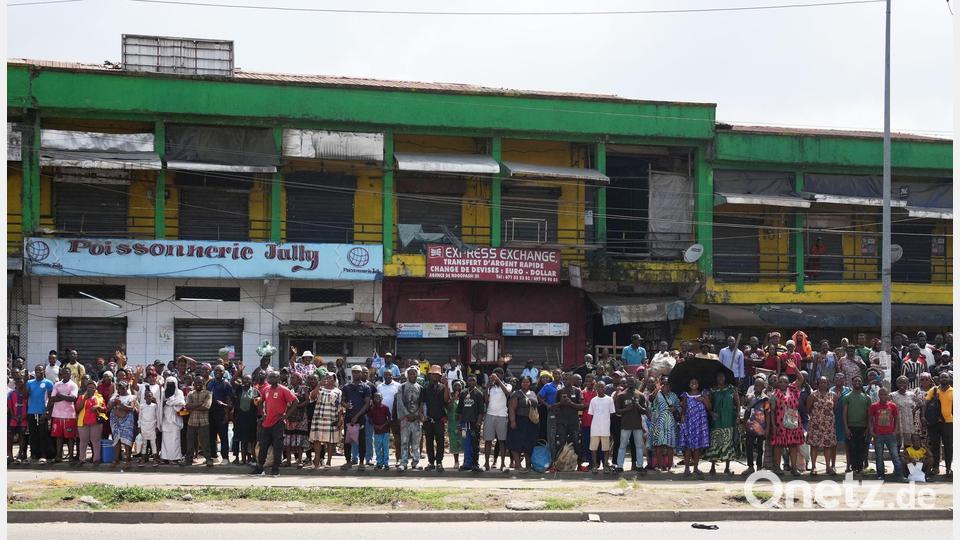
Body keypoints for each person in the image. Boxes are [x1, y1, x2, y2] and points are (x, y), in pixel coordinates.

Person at [253, 371, 298, 476]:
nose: (271, 378)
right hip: (266, 422)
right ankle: (260, 467)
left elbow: (295, 401)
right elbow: (260, 401)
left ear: (278, 379)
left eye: (274, 377)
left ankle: (275, 468)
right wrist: (263, 414)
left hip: (278, 423)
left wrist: (286, 415)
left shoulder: (284, 389)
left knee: (277, 446)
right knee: (263, 445)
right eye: (270, 377)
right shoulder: (266, 389)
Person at [705, 371, 740, 475]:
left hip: (729, 419)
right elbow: (709, 406)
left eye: (722, 376)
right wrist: (711, 413)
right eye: (719, 376)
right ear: (716, 378)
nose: (721, 378)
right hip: (716, 420)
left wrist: (738, 416)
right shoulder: (712, 390)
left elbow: (737, 403)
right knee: (715, 442)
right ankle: (712, 467)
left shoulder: (731, 389)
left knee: (728, 442)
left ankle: (727, 467)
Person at [771, 375, 804, 476]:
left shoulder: (793, 390)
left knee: (793, 445)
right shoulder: (774, 394)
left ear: (788, 383)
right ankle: (777, 467)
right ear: (778, 383)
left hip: (793, 421)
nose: (783, 384)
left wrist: (794, 368)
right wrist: (774, 425)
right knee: (779, 445)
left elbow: (801, 379)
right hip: (779, 422)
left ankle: (794, 468)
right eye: (780, 382)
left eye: (785, 382)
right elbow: (771, 411)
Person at [341, 365, 372, 470]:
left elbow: (367, 404)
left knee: (361, 440)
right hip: (348, 417)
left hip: (360, 418)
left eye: (358, 372)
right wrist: (346, 405)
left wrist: (357, 416)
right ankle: (348, 461)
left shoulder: (366, 387)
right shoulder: (346, 387)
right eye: (354, 372)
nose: (356, 374)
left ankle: (362, 462)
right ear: (352, 373)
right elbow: (342, 401)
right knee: (347, 441)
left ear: (361, 373)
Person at [309, 373, 342, 470]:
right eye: (326, 377)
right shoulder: (320, 389)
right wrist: (319, 384)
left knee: (330, 441)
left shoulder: (338, 391)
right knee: (317, 440)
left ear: (334, 380)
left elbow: (339, 406)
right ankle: (317, 460)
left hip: (332, 418)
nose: (328, 379)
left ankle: (328, 461)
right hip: (319, 417)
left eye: (330, 378)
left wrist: (340, 419)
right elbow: (312, 397)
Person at [869, 387, 903, 481]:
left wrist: (895, 430)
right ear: (878, 395)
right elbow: (871, 419)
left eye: (885, 394)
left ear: (888, 395)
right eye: (881, 394)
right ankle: (880, 475)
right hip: (878, 435)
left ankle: (899, 475)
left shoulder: (892, 406)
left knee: (895, 455)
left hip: (890, 435)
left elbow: (896, 418)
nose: (883, 396)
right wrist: (872, 431)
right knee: (879, 456)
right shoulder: (874, 406)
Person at [805, 376, 837, 476]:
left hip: (828, 425)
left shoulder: (833, 395)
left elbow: (834, 409)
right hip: (815, 424)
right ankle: (814, 467)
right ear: (818, 383)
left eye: (825, 382)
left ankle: (828, 466)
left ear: (828, 384)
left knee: (828, 446)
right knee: (814, 446)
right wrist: (817, 417)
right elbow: (808, 409)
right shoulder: (813, 395)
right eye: (821, 382)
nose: (823, 384)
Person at [678, 378, 710, 477]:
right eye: (692, 382)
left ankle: (696, 468)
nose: (694, 384)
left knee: (697, 448)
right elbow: (683, 408)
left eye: (696, 382)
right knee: (688, 447)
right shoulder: (686, 395)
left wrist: (703, 399)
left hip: (700, 423)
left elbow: (709, 407)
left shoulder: (703, 394)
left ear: (698, 384)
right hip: (689, 423)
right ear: (689, 384)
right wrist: (682, 417)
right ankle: (687, 468)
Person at [613, 375, 646, 473]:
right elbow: (617, 411)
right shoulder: (621, 395)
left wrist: (638, 406)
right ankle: (620, 466)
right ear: (626, 383)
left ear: (635, 382)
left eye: (632, 381)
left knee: (639, 446)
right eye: (629, 382)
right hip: (625, 425)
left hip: (637, 425)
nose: (631, 383)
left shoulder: (640, 395)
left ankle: (640, 466)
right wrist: (627, 409)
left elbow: (644, 410)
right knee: (622, 446)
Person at [507, 376, 539, 472]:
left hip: (531, 422)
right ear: (520, 383)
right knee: (516, 442)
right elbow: (511, 408)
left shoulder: (533, 393)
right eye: (524, 382)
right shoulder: (516, 394)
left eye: (527, 382)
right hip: (519, 420)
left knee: (529, 443)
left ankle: (528, 465)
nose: (526, 384)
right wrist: (513, 421)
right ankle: (517, 464)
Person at [421, 365, 449, 472]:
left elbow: (446, 400)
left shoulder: (442, 387)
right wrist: (421, 415)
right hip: (428, 419)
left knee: (440, 441)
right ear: (430, 375)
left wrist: (446, 385)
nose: (435, 376)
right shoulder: (425, 387)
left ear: (440, 376)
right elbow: (422, 402)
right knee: (429, 441)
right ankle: (431, 462)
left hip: (440, 419)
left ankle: (439, 462)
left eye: (437, 374)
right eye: (433, 374)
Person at [554, 373, 585, 470]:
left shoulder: (577, 391)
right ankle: (558, 465)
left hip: (573, 421)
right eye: (565, 379)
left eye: (568, 379)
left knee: (576, 442)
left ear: (572, 380)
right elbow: (554, 407)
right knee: (560, 442)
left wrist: (571, 403)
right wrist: (561, 403)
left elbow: (582, 406)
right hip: (562, 421)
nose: (566, 380)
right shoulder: (559, 392)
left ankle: (579, 464)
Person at [925, 371, 953, 478]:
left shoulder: (953, 391)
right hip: (934, 423)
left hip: (949, 423)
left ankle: (948, 468)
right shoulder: (934, 390)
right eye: (942, 377)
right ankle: (935, 467)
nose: (944, 379)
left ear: (949, 379)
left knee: (948, 447)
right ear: (939, 379)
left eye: (946, 377)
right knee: (935, 446)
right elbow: (925, 404)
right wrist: (924, 417)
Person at [483, 368, 512, 471]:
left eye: (498, 375)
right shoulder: (491, 387)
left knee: (502, 441)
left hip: (502, 416)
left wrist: (498, 380)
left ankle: (503, 463)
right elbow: (486, 400)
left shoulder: (507, 385)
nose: (496, 376)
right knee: (488, 440)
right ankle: (486, 463)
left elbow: (508, 393)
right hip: (490, 415)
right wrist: (488, 384)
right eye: (494, 375)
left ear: (502, 375)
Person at [842, 375, 872, 474]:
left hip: (863, 426)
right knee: (852, 447)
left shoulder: (867, 397)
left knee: (861, 447)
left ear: (862, 382)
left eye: (859, 381)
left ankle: (860, 466)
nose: (857, 382)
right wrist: (846, 428)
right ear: (852, 383)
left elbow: (869, 414)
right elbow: (844, 413)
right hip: (851, 426)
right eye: (855, 381)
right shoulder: (847, 396)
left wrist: (868, 427)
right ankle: (853, 467)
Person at [48, 367, 79, 462]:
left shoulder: (73, 385)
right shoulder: (57, 384)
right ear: (61, 374)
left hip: (69, 415)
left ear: (70, 374)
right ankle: (58, 456)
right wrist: (66, 397)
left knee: (70, 437)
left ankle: (70, 456)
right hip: (57, 414)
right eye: (64, 373)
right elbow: (52, 398)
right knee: (58, 437)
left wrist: (60, 395)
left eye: (67, 373)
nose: (66, 375)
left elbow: (73, 398)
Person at [25, 364, 54, 462]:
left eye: (40, 370)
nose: (38, 371)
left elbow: (51, 399)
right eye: (36, 370)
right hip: (31, 412)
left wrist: (46, 412)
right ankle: (33, 454)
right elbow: (26, 395)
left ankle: (43, 454)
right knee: (33, 435)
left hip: (42, 413)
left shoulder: (48, 383)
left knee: (43, 434)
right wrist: (25, 380)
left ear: (44, 371)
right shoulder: (29, 382)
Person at [396, 367, 423, 471]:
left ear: (417, 375)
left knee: (416, 442)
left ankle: (416, 462)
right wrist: (407, 415)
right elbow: (400, 403)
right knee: (404, 441)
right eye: (410, 374)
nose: (412, 375)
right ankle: (403, 462)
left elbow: (422, 403)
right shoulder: (401, 387)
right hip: (405, 419)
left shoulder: (420, 388)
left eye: (414, 374)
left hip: (416, 419)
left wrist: (417, 415)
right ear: (407, 375)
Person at [457, 374, 485, 472]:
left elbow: (481, 411)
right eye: (469, 380)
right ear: (467, 381)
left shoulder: (479, 393)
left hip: (474, 423)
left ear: (476, 381)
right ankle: (466, 463)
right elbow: (459, 410)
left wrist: (478, 422)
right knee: (466, 443)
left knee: (475, 443)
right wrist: (459, 424)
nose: (471, 382)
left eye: (473, 380)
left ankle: (475, 464)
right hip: (464, 423)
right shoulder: (463, 393)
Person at [181, 378, 211, 468]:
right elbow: (187, 406)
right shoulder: (190, 394)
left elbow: (206, 407)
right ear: (194, 384)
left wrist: (193, 406)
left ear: (203, 383)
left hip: (204, 422)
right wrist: (199, 404)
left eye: (200, 382)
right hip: (192, 422)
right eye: (197, 382)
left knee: (205, 442)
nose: (198, 384)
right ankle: (188, 460)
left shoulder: (208, 393)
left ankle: (208, 459)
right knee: (190, 442)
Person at [649, 378, 678, 471]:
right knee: (659, 444)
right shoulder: (657, 394)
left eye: (668, 384)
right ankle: (661, 466)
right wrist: (657, 388)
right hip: (659, 421)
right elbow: (651, 398)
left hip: (670, 422)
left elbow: (679, 406)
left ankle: (669, 466)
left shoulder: (673, 395)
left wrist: (675, 408)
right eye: (664, 384)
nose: (666, 386)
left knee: (670, 445)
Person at [108, 379, 138, 469]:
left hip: (127, 420)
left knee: (127, 440)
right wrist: (113, 402)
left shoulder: (132, 397)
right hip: (115, 420)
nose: (121, 389)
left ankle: (128, 459)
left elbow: (131, 408)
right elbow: (108, 408)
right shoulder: (114, 396)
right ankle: (116, 459)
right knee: (116, 439)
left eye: (123, 387)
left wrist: (121, 405)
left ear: (127, 388)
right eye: (119, 387)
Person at [73, 379, 105, 465]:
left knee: (96, 441)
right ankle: (82, 459)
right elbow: (77, 409)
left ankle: (96, 459)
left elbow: (104, 410)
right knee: (83, 441)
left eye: (92, 388)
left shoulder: (100, 397)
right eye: (89, 388)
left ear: (96, 389)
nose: (91, 389)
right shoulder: (81, 397)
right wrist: (84, 399)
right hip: (83, 422)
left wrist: (98, 407)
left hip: (96, 422)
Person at [282, 372, 310, 468]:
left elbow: (307, 400)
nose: (292, 379)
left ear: (299, 379)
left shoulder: (303, 388)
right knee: (288, 440)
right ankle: (289, 460)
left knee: (300, 440)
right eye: (291, 377)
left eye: (294, 378)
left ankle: (299, 461)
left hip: (301, 417)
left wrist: (297, 406)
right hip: (289, 417)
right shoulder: (288, 388)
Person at [206, 365, 233, 463]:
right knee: (211, 436)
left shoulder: (226, 384)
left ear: (223, 373)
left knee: (223, 436)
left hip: (222, 414)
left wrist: (226, 414)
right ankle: (214, 457)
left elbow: (230, 401)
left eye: (220, 371)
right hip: (210, 414)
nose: (217, 372)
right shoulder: (210, 383)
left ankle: (225, 458)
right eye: (216, 370)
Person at [587, 381, 616, 473]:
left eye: (602, 387)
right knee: (594, 448)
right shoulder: (593, 400)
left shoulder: (609, 399)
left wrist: (604, 420)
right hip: (595, 428)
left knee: (606, 448)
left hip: (605, 428)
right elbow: (591, 414)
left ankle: (606, 466)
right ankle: (595, 466)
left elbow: (611, 413)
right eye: (598, 387)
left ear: (605, 388)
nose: (600, 389)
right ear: (596, 388)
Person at [743, 375, 769, 474]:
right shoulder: (750, 397)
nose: (757, 387)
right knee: (749, 446)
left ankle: (759, 466)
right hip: (750, 426)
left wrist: (767, 428)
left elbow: (767, 413)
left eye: (760, 386)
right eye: (756, 385)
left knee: (759, 448)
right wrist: (744, 424)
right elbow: (747, 411)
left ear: (763, 387)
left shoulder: (765, 399)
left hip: (761, 427)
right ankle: (750, 466)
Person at [158, 376, 185, 463]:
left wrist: (169, 402)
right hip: (165, 419)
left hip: (175, 420)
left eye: (172, 384)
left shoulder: (179, 392)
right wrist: (170, 402)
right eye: (168, 384)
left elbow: (181, 403)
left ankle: (174, 458)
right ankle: (165, 457)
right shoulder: (163, 393)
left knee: (175, 440)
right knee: (165, 440)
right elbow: (161, 404)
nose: (170, 386)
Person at [890, 375, 920, 450]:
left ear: (907, 384)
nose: (902, 385)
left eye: (904, 383)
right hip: (897, 421)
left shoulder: (911, 394)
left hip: (908, 421)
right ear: (897, 384)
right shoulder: (892, 395)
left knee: (908, 442)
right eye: (900, 383)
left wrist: (914, 410)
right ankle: (897, 459)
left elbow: (920, 403)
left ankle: (907, 459)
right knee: (897, 443)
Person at [537, 371, 561, 459]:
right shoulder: (547, 386)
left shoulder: (563, 385)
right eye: (555, 374)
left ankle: (560, 459)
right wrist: (547, 405)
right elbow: (539, 396)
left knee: (561, 436)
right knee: (551, 435)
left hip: (563, 413)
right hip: (552, 412)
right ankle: (552, 459)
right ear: (553, 376)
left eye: (559, 374)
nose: (557, 375)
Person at [7, 373, 28, 463]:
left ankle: (20, 455)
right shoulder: (11, 393)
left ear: (23, 382)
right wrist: (14, 416)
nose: (19, 383)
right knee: (10, 437)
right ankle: (10, 455)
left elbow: (28, 406)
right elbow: (10, 406)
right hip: (13, 419)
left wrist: (24, 416)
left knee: (22, 437)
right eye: (18, 381)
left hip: (23, 419)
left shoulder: (26, 394)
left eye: (21, 381)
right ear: (15, 383)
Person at [367, 393, 391, 470]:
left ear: (382, 398)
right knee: (378, 448)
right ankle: (379, 463)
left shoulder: (385, 408)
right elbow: (370, 420)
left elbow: (389, 418)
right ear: (373, 399)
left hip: (385, 431)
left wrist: (383, 425)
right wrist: (375, 425)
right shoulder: (372, 409)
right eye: (376, 397)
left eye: (379, 397)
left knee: (386, 447)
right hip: (377, 431)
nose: (378, 399)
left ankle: (386, 463)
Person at [139, 385, 160, 464]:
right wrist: (139, 427)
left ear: (152, 398)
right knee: (144, 443)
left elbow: (157, 417)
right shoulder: (142, 406)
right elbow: (140, 417)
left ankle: (155, 458)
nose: (148, 398)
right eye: (147, 396)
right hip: (144, 426)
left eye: (150, 396)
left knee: (153, 443)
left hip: (152, 426)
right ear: (144, 398)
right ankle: (143, 458)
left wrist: (157, 426)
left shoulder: (155, 406)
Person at [447, 380, 463, 469]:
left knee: (464, 441)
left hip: (463, 425)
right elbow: (448, 408)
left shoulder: (465, 396)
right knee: (454, 442)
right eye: (455, 386)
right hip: (452, 425)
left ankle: (466, 461)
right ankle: (456, 461)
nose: (457, 387)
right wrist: (454, 398)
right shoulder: (449, 397)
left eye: (459, 386)